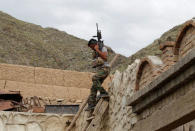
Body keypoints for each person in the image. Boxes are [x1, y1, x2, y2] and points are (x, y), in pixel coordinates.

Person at [85, 39, 110, 111]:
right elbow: (94, 63)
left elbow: (105, 57)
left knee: (94, 78)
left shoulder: (103, 48)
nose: (91, 48)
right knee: (93, 88)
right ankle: (92, 104)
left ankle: (103, 93)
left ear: (95, 44)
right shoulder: (94, 52)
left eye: (92, 47)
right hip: (100, 70)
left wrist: (97, 50)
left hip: (105, 69)